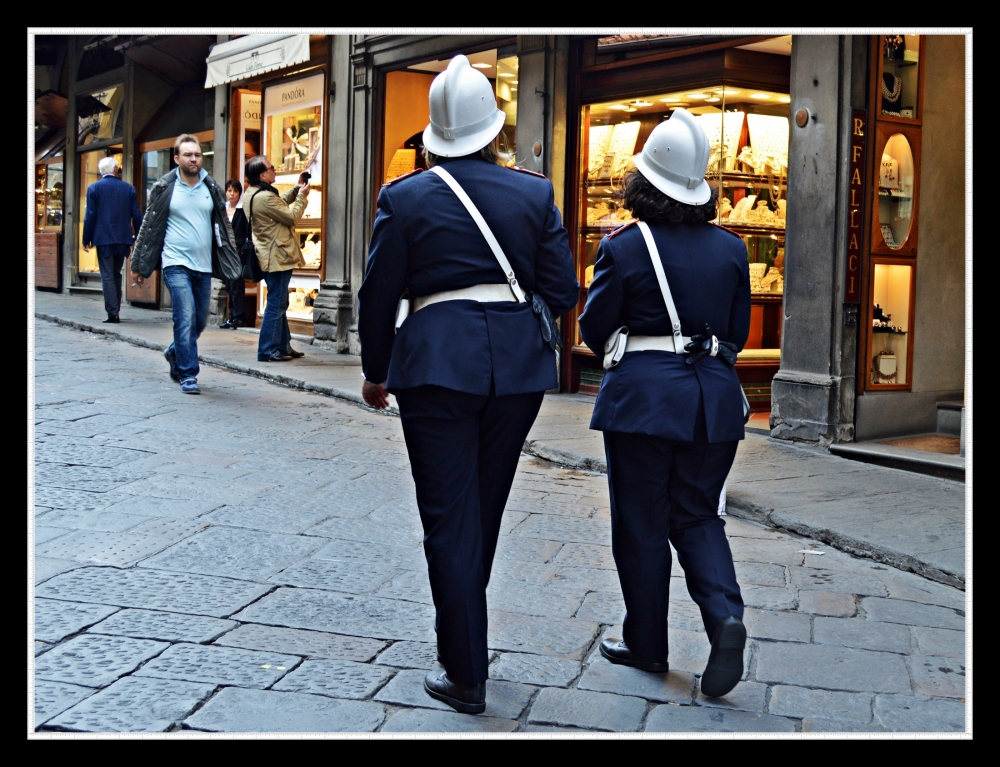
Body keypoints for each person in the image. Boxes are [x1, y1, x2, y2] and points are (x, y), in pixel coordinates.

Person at [357, 55, 578, 714]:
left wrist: (375, 368)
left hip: (434, 365)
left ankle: (465, 668)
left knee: (449, 517)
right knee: (482, 508)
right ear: (493, 128)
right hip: (515, 369)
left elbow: (377, 296)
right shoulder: (535, 192)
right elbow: (563, 289)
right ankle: (466, 643)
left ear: (433, 134)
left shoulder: (403, 196)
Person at [578, 108, 752, 699]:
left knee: (642, 523)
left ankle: (647, 644)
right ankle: (725, 615)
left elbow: (593, 326)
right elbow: (738, 333)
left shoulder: (624, 247)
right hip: (714, 400)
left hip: (645, 400)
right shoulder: (732, 249)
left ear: (643, 182)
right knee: (699, 513)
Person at [129, 134, 242, 395]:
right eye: (188, 155)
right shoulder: (164, 187)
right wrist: (138, 264)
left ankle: (174, 351)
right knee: (185, 314)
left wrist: (229, 257)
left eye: (198, 154)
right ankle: (188, 373)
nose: (194, 159)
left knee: (200, 320)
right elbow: (148, 226)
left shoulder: (210, 187)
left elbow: (223, 227)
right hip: (175, 262)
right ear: (177, 158)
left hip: (203, 266)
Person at [242, 156, 309, 362]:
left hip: (269, 254)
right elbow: (290, 217)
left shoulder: (252, 194)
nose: (274, 171)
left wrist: (296, 189)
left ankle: (283, 346)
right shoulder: (264, 197)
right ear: (262, 174)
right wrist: (302, 197)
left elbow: (277, 204)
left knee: (280, 301)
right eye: (271, 168)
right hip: (277, 256)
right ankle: (267, 350)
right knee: (276, 303)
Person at [81, 156, 143, 323]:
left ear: (102, 171)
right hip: (123, 238)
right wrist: (138, 237)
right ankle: (116, 309)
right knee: (116, 273)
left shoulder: (94, 188)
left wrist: (86, 238)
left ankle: (113, 313)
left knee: (107, 275)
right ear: (115, 170)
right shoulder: (128, 188)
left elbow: (90, 216)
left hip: (103, 238)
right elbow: (136, 215)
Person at [219, 179, 249, 329]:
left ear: (239, 193)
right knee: (229, 285)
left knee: (237, 284)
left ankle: (239, 316)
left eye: (235, 191)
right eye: (229, 190)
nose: (232, 194)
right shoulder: (223, 209)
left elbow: (246, 231)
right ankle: (232, 315)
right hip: (225, 251)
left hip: (237, 252)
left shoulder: (242, 210)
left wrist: (242, 248)